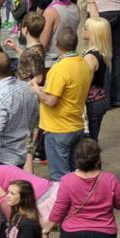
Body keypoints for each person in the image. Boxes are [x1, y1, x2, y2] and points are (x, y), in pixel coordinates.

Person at [45, 137, 120, 238]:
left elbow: (59, 209)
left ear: (76, 158)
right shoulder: (109, 179)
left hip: (73, 235)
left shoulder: (67, 180)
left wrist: (46, 230)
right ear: (98, 158)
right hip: (104, 235)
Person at [32, 27, 91, 181]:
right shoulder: (83, 64)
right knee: (74, 173)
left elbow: (51, 100)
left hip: (58, 128)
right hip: (76, 125)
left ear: (57, 44)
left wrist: (37, 90)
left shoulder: (59, 69)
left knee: (59, 177)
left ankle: (65, 203)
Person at [0, 51, 39, 166]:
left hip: (2, 159)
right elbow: (35, 116)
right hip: (21, 155)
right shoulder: (26, 88)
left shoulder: (0, 98)